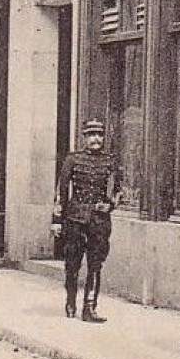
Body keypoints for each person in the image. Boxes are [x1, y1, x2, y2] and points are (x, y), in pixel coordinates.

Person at [54, 120, 121, 324]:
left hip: (99, 221)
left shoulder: (110, 161)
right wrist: (57, 220)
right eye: (91, 135)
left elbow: (118, 190)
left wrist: (110, 205)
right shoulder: (73, 160)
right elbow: (61, 191)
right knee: (72, 263)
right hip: (75, 219)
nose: (96, 139)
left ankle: (89, 308)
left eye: (99, 135)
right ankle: (71, 301)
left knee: (95, 264)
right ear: (84, 137)